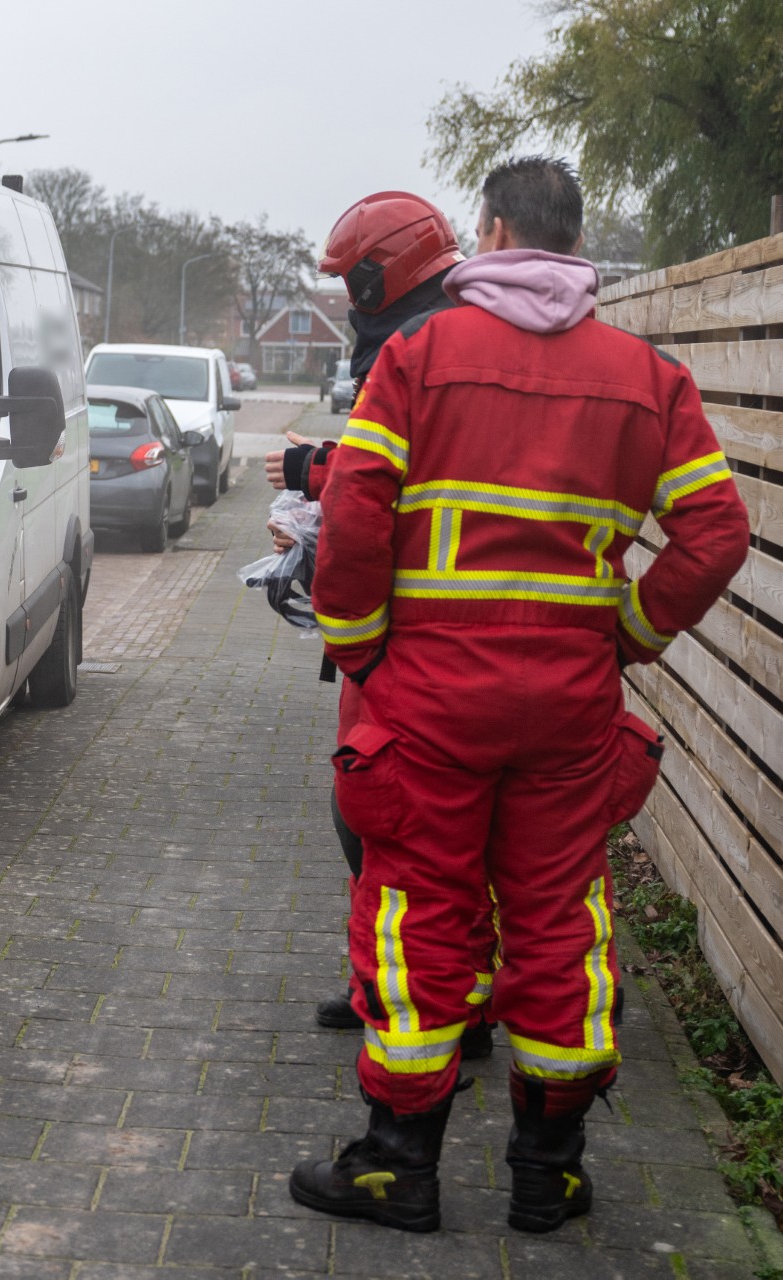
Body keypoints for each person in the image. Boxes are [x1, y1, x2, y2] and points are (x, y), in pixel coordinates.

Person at [289, 157, 748, 1234]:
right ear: (575, 240)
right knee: (560, 918)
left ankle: (398, 1163)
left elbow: (356, 508)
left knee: (418, 909)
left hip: (432, 701)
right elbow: (717, 532)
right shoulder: (649, 376)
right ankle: (551, 1170)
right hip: (572, 708)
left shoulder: (416, 355)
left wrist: (362, 651)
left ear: (490, 232)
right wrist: (628, 633)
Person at [260, 193, 497, 1052]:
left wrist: (311, 488)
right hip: (421, 631)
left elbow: (396, 480)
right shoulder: (425, 332)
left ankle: (435, 1011)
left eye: (350, 277)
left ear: (378, 273)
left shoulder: (418, 343)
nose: (347, 294)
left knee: (386, 822)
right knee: (378, 820)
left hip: (411, 638)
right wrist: (315, 470)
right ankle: (399, 989)